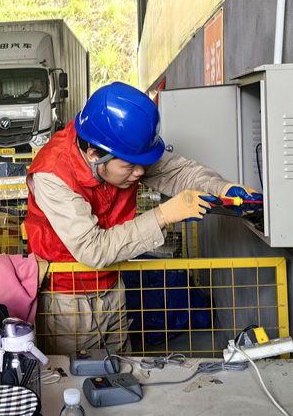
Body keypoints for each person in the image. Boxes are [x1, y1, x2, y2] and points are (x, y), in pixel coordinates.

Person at [24, 82, 262, 354]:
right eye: (129, 166)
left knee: (123, 371)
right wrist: (163, 215)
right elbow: (93, 248)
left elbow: (178, 172)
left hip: (113, 285)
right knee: (76, 382)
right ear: (94, 155)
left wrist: (223, 189)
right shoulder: (53, 175)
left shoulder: (120, 151)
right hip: (67, 300)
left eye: (143, 164)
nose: (140, 173)